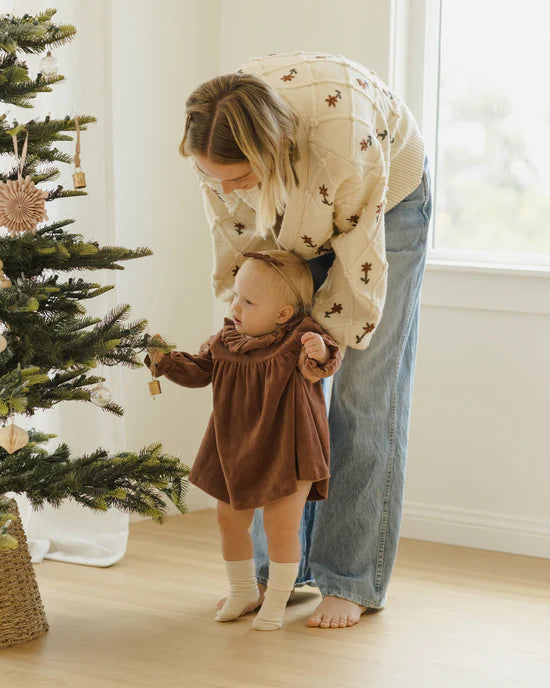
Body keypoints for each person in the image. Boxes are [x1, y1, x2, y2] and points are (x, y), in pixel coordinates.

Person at [179, 51, 433, 629]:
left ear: (267, 155)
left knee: (362, 397)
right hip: (296, 198)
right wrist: (244, 317)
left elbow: (358, 266)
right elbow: (237, 230)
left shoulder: (344, 145)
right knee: (278, 392)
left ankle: (351, 577)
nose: (228, 189)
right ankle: (283, 571)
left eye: (239, 178)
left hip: (383, 205)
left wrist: (326, 347)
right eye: (215, 177)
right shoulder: (220, 147)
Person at [145, 250, 341, 630]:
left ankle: (278, 599)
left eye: (248, 301)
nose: (235, 306)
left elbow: (323, 362)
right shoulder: (227, 339)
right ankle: (242, 589)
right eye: (236, 295)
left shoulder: (299, 337)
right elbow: (200, 370)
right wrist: (166, 361)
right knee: (229, 519)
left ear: (283, 314)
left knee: (280, 524)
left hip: (289, 447)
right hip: (236, 445)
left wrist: (321, 350)